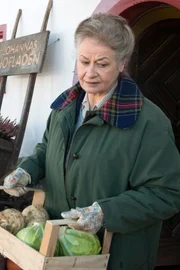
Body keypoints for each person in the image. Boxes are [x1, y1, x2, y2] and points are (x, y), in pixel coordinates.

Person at [3, 13, 180, 270]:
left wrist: (104, 213)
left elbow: (167, 194)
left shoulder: (149, 123)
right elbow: (46, 149)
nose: (89, 73)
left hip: (118, 256)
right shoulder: (64, 107)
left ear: (122, 64)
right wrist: (26, 170)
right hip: (58, 252)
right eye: (84, 61)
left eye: (102, 64)